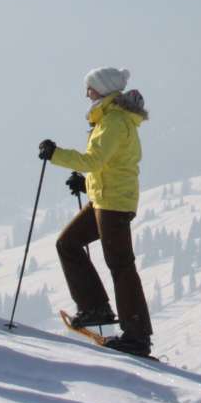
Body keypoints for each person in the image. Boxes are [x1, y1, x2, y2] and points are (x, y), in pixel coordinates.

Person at [39, 66, 153, 356]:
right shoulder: (110, 118)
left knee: (120, 265)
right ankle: (95, 308)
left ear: (102, 89)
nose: (86, 93)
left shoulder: (114, 121)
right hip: (106, 199)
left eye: (90, 87)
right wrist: (87, 184)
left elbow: (94, 160)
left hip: (113, 203)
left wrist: (56, 154)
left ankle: (136, 336)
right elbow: (109, 164)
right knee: (68, 243)